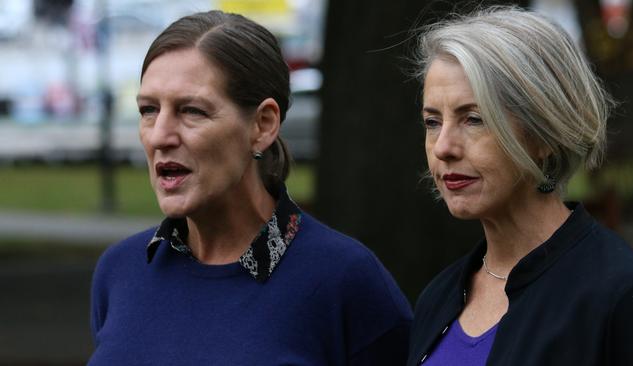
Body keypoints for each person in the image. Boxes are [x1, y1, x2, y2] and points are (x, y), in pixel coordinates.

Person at [88, 10, 412, 365]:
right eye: (149, 109)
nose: (160, 135)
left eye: (192, 111)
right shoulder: (120, 271)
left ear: (263, 125)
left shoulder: (345, 280)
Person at [407, 7, 633, 366]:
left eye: (473, 119)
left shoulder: (624, 295)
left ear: (544, 134)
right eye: (432, 121)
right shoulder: (438, 297)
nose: (443, 147)